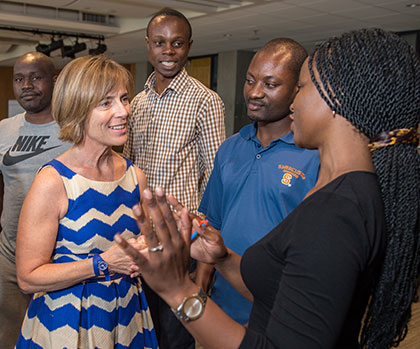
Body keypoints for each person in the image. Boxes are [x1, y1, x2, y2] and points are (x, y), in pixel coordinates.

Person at [116, 28, 420, 348]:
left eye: (301, 87)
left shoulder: (337, 213)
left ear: (337, 98)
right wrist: (223, 258)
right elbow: (289, 297)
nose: (293, 103)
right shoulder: (346, 193)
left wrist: (176, 289)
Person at [15, 55, 158, 348]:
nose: (123, 111)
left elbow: (143, 252)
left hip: (127, 316)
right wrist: (103, 264)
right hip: (68, 324)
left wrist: (156, 247)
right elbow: (28, 278)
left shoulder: (135, 176)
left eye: (123, 99)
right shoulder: (54, 181)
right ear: (78, 110)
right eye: (106, 103)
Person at [198, 38, 320, 324]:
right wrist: (201, 285)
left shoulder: (314, 155)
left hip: (280, 308)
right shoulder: (230, 147)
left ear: (296, 90)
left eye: (270, 84)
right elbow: (212, 222)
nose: (254, 92)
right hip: (224, 304)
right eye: (250, 80)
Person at [123, 7, 225, 348]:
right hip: (140, 238)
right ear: (148, 45)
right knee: (142, 332)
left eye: (177, 43)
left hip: (182, 241)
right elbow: (128, 168)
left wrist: (205, 264)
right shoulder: (136, 103)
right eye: (160, 43)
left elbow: (216, 180)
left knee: (175, 337)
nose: (168, 51)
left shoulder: (205, 101)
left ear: (189, 46)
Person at [0, 52, 71, 348]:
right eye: (19, 79)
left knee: (57, 337)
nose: (26, 85)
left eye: (35, 77)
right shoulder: (4, 129)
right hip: (9, 255)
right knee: (9, 335)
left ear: (54, 81)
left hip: (59, 257)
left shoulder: (72, 130)